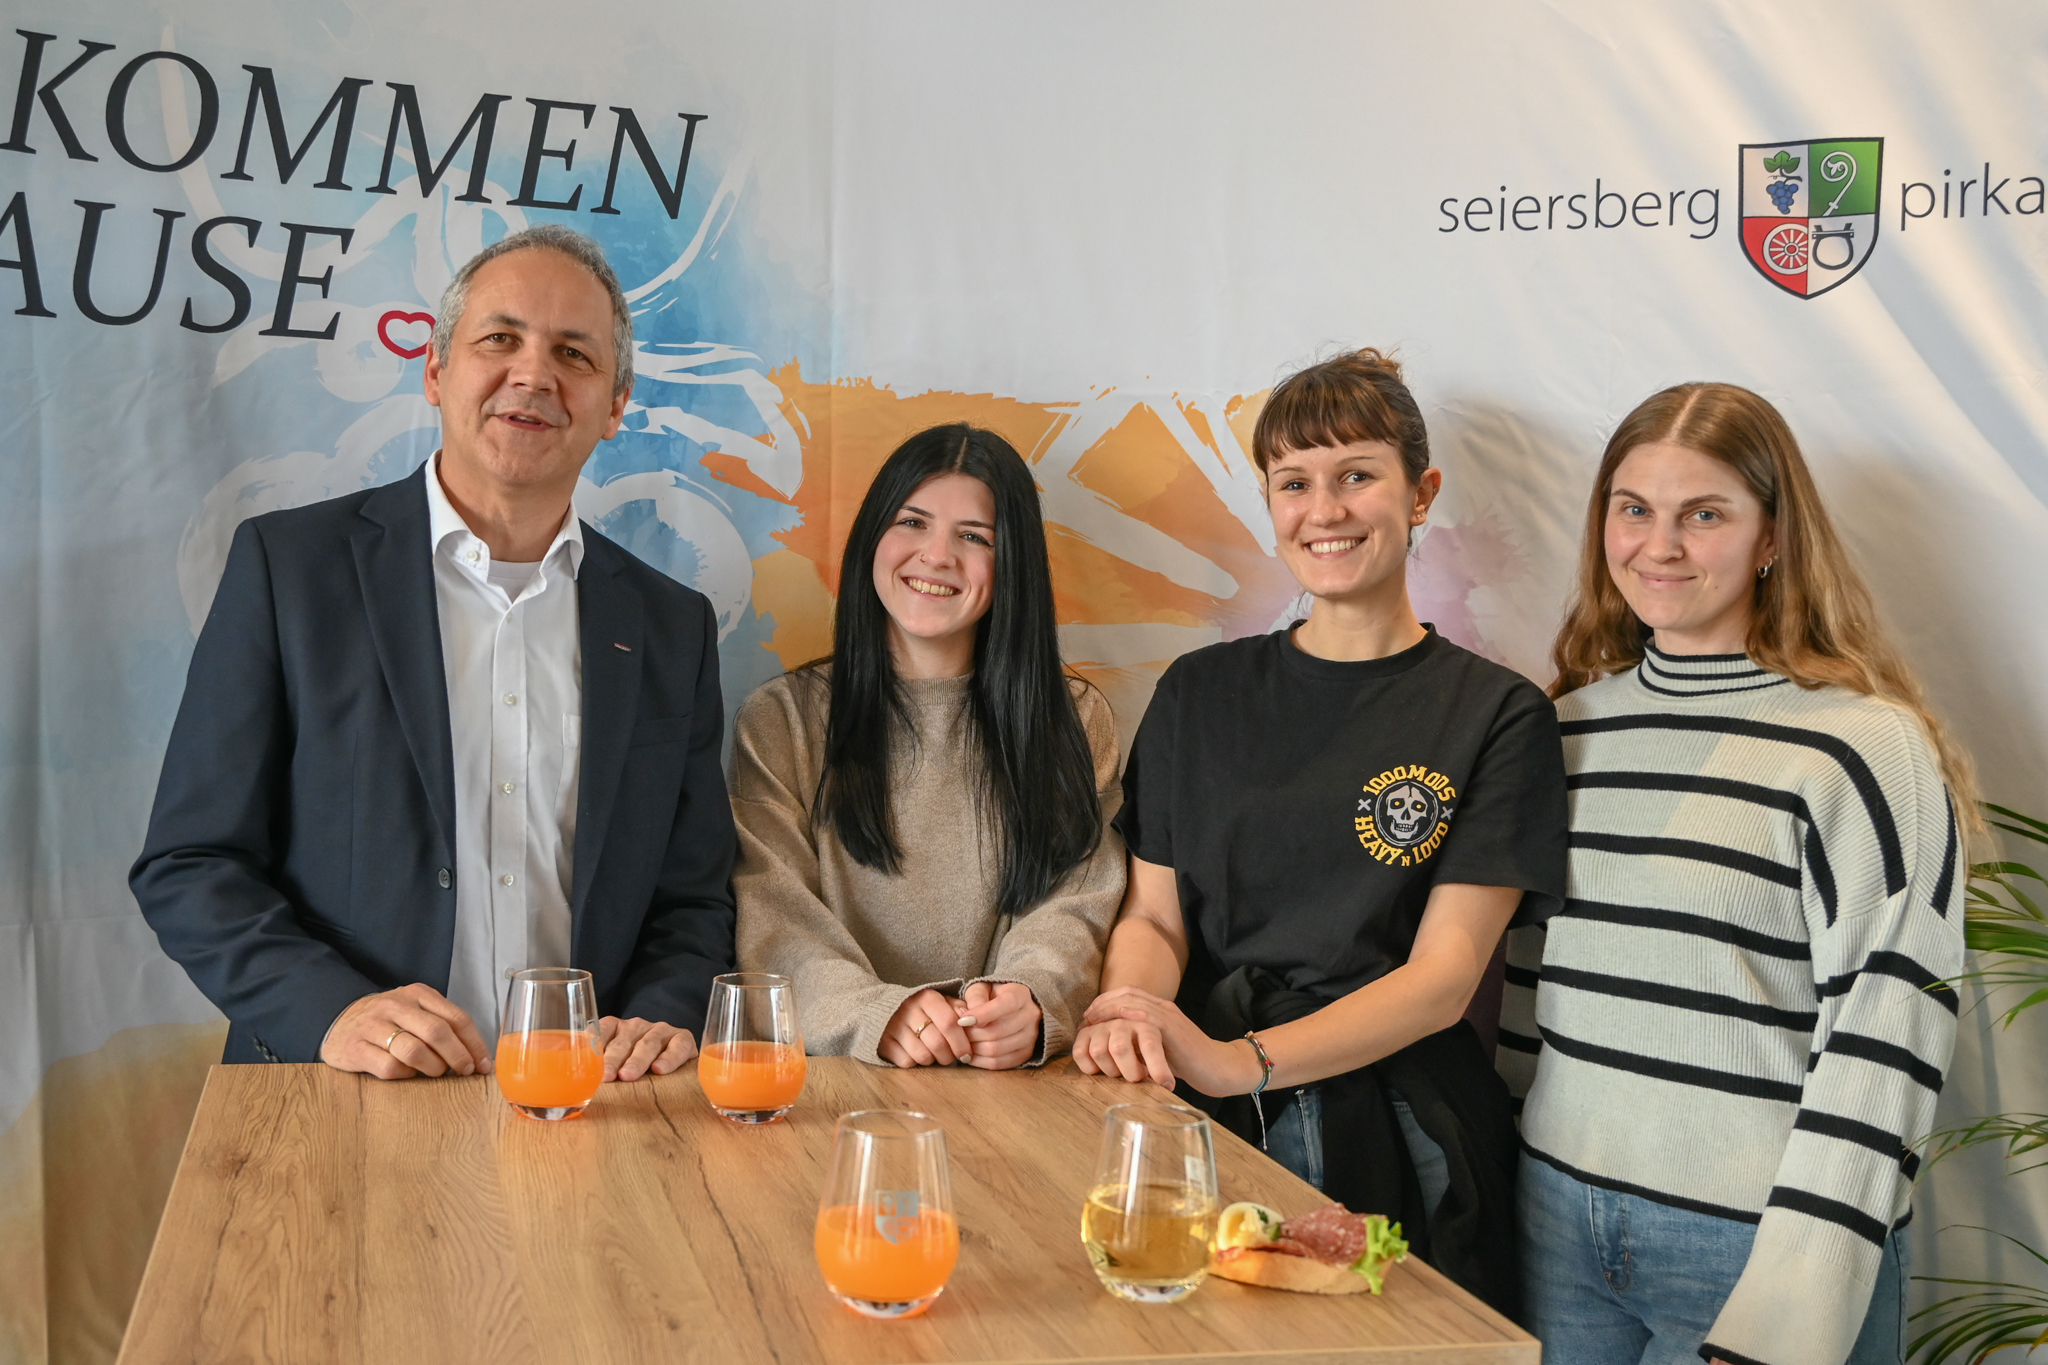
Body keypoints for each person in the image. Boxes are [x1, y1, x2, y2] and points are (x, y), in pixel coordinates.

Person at [132, 225, 736, 1085]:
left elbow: (692, 899)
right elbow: (191, 863)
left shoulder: (672, 626)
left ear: (615, 406)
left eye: (574, 353)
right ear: (435, 369)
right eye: (500, 339)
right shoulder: (290, 570)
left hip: (591, 1109)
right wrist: (331, 1011)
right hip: (337, 1100)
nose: (534, 374)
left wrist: (660, 1013)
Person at [1072, 349, 1568, 1313]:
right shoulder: (1197, 692)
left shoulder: (1498, 714)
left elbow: (1442, 979)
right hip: (1192, 1110)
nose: (1324, 509)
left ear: (1421, 494)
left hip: (1400, 1128)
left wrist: (1240, 1062)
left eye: (1356, 475)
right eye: (1294, 482)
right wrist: (1131, 1015)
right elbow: (1155, 918)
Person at [1499, 382, 1971, 1365]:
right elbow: (1529, 998)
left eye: (1703, 514)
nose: (1659, 545)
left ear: (1771, 538)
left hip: (1751, 1242)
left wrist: (1789, 1313)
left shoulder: (1858, 746)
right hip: (1553, 1224)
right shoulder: (1561, 730)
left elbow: (1885, 1037)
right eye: (1633, 509)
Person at [733, 424, 1125, 1069]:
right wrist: (876, 1014)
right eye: (912, 523)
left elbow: (1078, 899)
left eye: (975, 537)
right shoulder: (781, 719)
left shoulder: (1075, 720)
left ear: (1013, 564)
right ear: (872, 538)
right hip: (830, 1079)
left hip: (1008, 1082)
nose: (937, 556)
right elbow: (773, 920)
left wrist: (1029, 998)